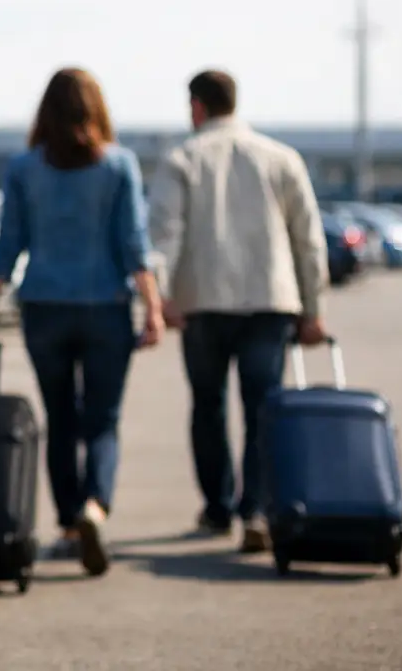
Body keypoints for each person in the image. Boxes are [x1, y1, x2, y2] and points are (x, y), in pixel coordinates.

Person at [0, 67, 165, 578]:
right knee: (103, 419)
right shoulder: (119, 166)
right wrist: (154, 309)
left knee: (60, 419)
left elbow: (9, 245)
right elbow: (134, 246)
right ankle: (96, 506)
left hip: (45, 309)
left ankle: (70, 526)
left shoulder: (24, 168)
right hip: (106, 310)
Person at [147, 69, 330, 555]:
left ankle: (216, 506)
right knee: (262, 409)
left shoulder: (181, 159)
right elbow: (308, 239)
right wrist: (313, 309)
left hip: (203, 303)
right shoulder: (281, 157)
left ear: (197, 107)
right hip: (269, 302)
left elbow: (165, 236)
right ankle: (256, 509)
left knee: (207, 408)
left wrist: (159, 298)